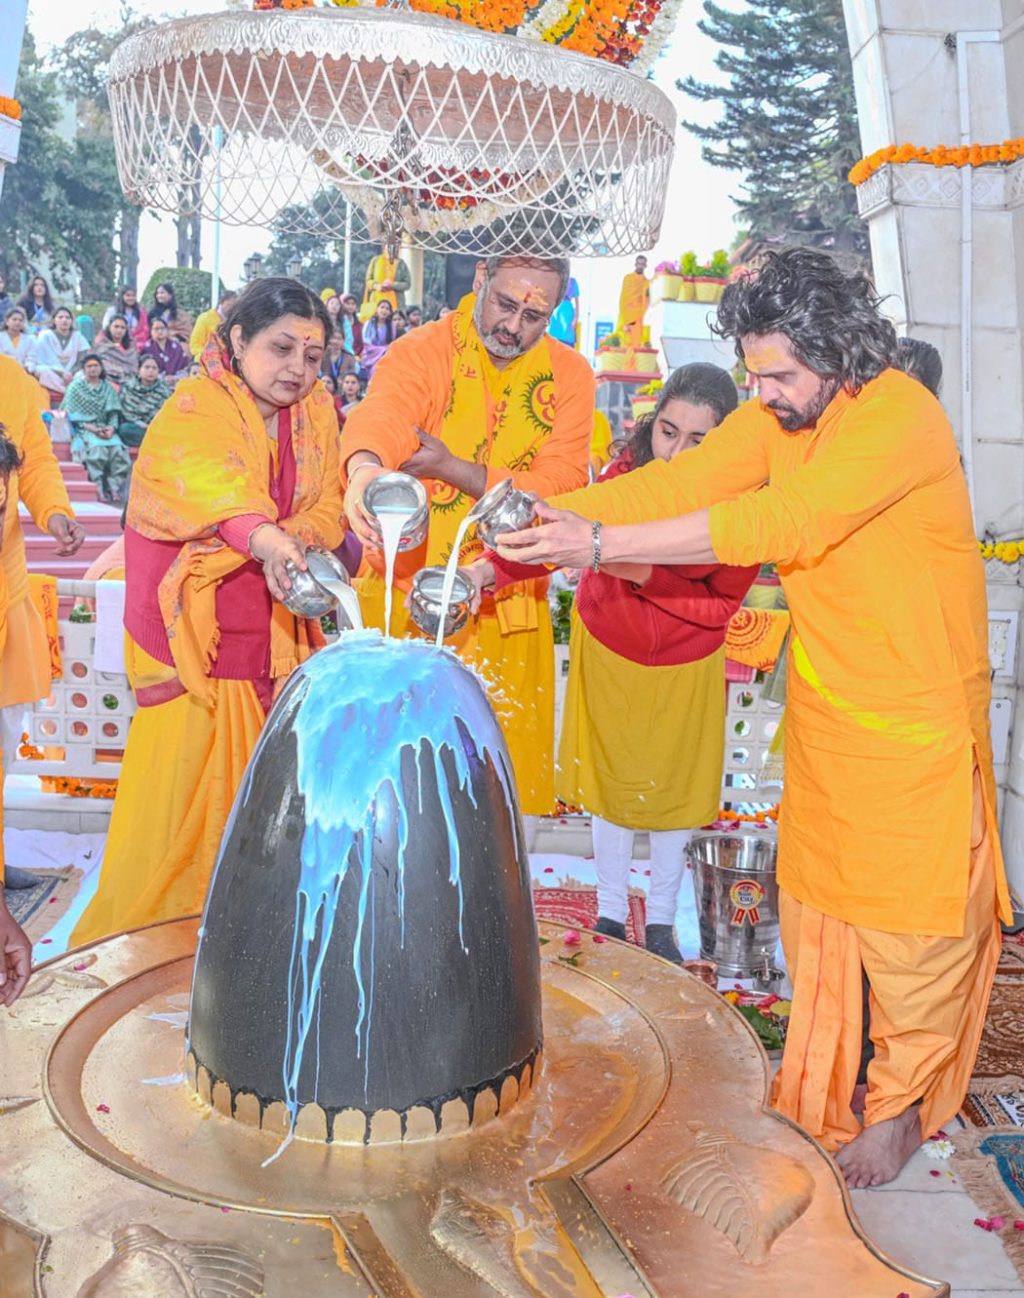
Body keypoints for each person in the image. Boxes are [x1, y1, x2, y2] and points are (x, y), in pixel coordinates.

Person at [496, 247, 1009, 1189]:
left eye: (776, 374)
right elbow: (682, 485)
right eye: (754, 374)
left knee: (910, 932)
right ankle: (827, 1079)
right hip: (829, 703)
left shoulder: (898, 416)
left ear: (836, 349)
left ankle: (901, 1108)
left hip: (916, 715)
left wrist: (600, 544)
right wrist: (548, 514)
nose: (762, 393)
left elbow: (782, 523)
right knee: (820, 916)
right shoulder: (782, 415)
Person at [70, 278, 345, 945]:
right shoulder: (195, 407)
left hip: (278, 638)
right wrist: (270, 540)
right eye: (282, 347)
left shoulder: (318, 413)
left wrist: (289, 538)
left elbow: (330, 510)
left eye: (313, 356)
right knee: (179, 822)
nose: (298, 368)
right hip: (199, 645)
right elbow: (221, 497)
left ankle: (252, 952)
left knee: (270, 813)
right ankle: (151, 951)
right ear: (238, 340)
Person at [470, 364, 755, 960]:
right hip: (610, 641)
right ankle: (609, 909)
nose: (676, 453)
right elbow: (558, 538)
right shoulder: (626, 477)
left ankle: (661, 922)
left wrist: (633, 567)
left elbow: (718, 604)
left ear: (727, 444)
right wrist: (484, 574)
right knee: (610, 784)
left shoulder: (742, 500)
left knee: (675, 792)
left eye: (698, 441)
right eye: (668, 432)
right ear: (653, 423)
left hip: (688, 656)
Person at [341, 254, 594, 815]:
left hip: (506, 602)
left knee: (491, 802)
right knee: (387, 792)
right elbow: (385, 415)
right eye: (505, 304)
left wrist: (454, 469)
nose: (514, 326)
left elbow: (561, 488)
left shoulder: (570, 375)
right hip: (404, 598)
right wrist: (363, 468)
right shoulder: (423, 350)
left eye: (535, 316)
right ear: (480, 279)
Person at [0, 355, 85, 890]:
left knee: (3, 738)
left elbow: (33, 464)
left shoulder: (11, 379)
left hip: (5, 591)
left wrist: (55, 513)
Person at [61, 354, 132, 505]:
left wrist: (111, 428)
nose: (92, 369)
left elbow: (114, 414)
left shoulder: (108, 388)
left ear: (101, 368)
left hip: (105, 428)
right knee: (97, 451)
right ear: (83, 369)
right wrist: (90, 428)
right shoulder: (75, 387)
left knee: (119, 451)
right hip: (84, 428)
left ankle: (113, 487)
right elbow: (70, 416)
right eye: (89, 366)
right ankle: (98, 488)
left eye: (95, 366)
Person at [33, 307, 91, 400]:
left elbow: (82, 359)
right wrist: (61, 373)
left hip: (72, 374)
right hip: (53, 372)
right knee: (41, 370)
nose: (64, 320)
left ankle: (69, 389)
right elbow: (41, 359)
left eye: (68, 318)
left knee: (83, 374)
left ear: (71, 321)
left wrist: (70, 373)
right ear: (54, 320)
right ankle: (68, 391)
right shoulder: (45, 335)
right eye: (60, 317)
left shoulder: (77, 336)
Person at [117, 355, 172, 448]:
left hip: (158, 428)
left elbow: (168, 414)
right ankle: (155, 442)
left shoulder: (164, 390)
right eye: (147, 367)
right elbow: (125, 413)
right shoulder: (128, 388)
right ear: (139, 370)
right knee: (124, 429)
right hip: (136, 427)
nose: (151, 371)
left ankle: (155, 441)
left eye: (154, 368)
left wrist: (153, 426)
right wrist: (143, 425)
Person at [189, 290, 238, 359]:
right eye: (229, 305)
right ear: (222, 302)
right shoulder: (205, 318)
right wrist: (209, 356)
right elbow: (194, 345)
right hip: (206, 360)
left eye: (234, 306)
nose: (231, 309)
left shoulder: (235, 321)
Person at [363, 244, 411, 313]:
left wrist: (392, 285)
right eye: (389, 247)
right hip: (376, 301)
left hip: (396, 303)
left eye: (394, 248)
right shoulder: (376, 260)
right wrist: (377, 286)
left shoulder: (401, 263)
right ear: (384, 248)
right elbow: (368, 280)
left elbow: (407, 284)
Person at [616, 255, 650, 349]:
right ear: (635, 264)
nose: (640, 266)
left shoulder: (647, 282)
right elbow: (623, 299)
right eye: (639, 264)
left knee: (636, 346)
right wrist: (625, 322)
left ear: (645, 266)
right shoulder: (628, 278)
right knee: (623, 345)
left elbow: (646, 302)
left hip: (638, 318)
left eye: (642, 264)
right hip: (625, 316)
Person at [94, 315, 140, 385]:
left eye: (122, 328)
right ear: (109, 327)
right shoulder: (101, 346)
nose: (119, 330)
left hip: (129, 381)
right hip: (107, 381)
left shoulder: (131, 348)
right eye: (116, 326)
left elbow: (134, 367)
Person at [140, 317, 190, 381]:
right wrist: (163, 378)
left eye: (162, 328)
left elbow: (185, 368)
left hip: (177, 380)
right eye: (156, 329)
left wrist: (174, 378)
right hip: (155, 382)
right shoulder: (147, 348)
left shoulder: (176, 347)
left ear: (167, 330)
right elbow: (144, 371)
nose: (160, 331)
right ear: (151, 331)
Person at [359, 299, 397, 383]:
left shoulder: (391, 326)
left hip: (386, 355)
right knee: (375, 369)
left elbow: (391, 343)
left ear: (390, 312)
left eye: (387, 309)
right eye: (382, 307)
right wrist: (382, 350)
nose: (384, 310)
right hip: (370, 355)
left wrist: (385, 351)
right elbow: (367, 343)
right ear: (377, 309)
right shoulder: (369, 324)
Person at [337, 293, 363, 374]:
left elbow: (362, 344)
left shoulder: (360, 325)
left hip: (357, 355)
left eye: (353, 304)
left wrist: (358, 355)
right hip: (341, 352)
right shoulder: (339, 323)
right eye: (348, 303)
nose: (350, 306)